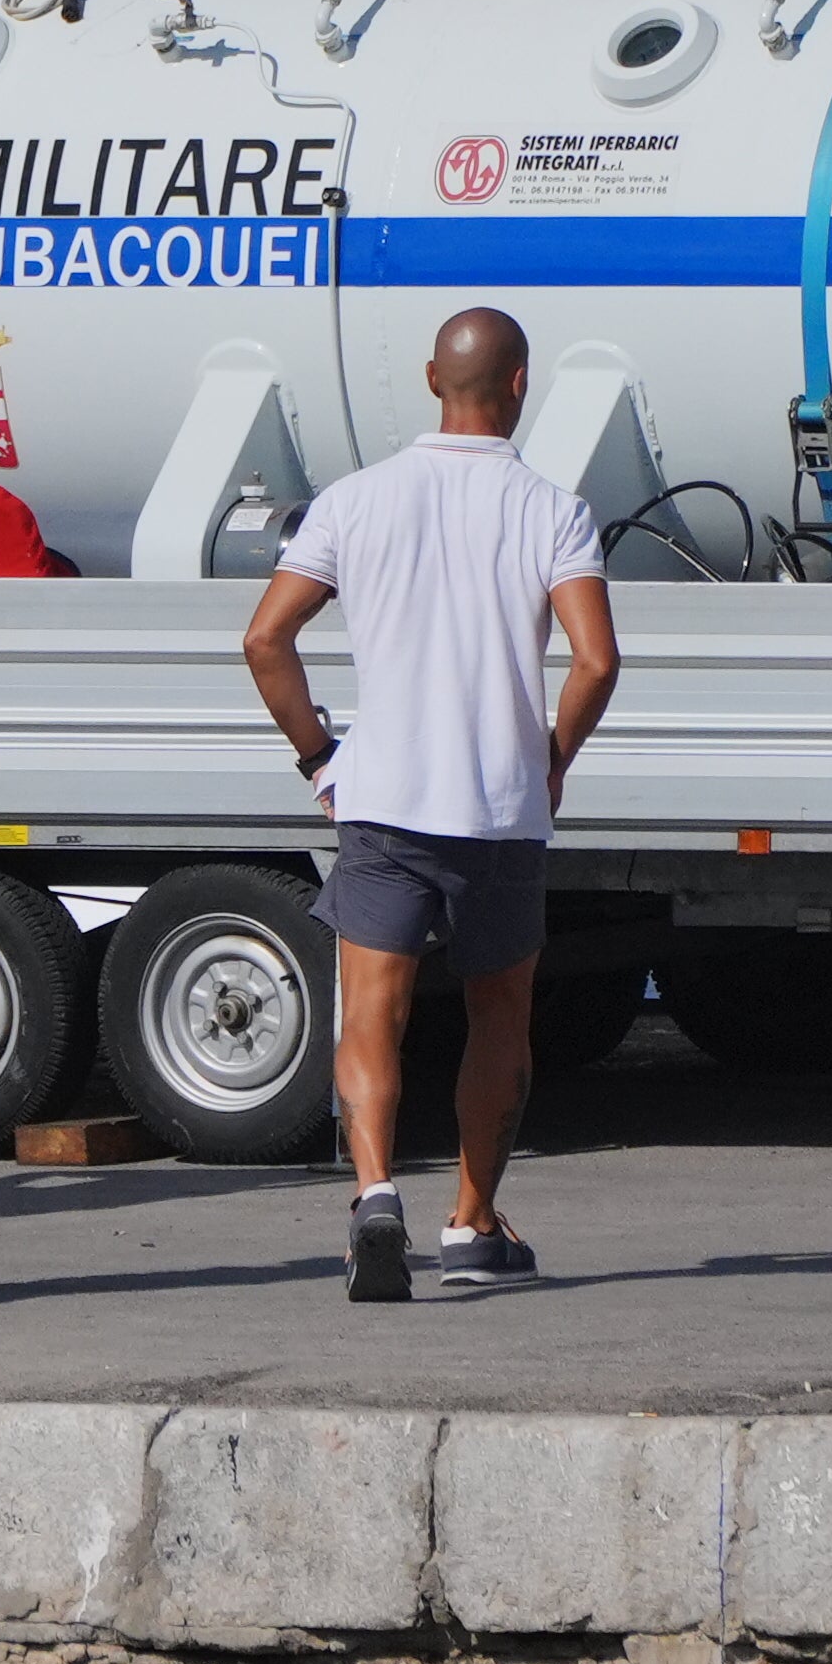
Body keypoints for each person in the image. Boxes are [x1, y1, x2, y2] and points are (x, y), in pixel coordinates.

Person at [238, 309, 622, 1305]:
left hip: (382, 800)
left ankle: (372, 1193)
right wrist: (549, 758)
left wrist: (320, 757)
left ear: (427, 378)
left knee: (372, 1010)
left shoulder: (352, 502)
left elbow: (264, 640)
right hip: (498, 806)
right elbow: (594, 661)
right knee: (499, 1014)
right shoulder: (552, 510)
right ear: (520, 384)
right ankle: (470, 1219)